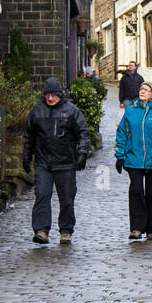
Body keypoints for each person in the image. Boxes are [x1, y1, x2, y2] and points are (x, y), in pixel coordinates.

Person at [23, 77, 90, 245]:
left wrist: (82, 154)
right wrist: (26, 155)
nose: (50, 98)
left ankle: (66, 230)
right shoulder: (37, 111)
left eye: (54, 95)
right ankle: (41, 230)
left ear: (60, 95)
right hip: (43, 162)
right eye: (47, 95)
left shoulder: (72, 111)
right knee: (42, 195)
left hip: (65, 162)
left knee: (66, 198)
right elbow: (29, 136)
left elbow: (83, 132)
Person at [114, 80, 152, 240]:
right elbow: (122, 134)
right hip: (134, 158)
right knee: (136, 192)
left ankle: (151, 229)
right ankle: (136, 228)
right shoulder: (130, 111)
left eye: (146, 90)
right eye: (141, 89)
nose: (142, 92)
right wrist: (120, 156)